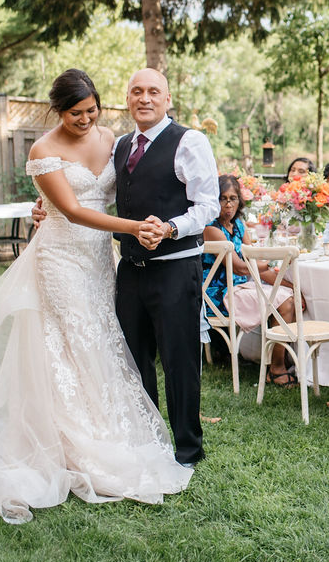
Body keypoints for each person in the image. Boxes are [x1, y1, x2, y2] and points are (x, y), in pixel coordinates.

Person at [0, 69, 192, 524]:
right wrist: (132, 228)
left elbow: (121, 188)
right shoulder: (43, 150)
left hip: (97, 261)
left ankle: (108, 429)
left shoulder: (110, 136)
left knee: (104, 338)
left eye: (92, 111)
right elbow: (70, 209)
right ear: (58, 111)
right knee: (73, 343)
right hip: (60, 259)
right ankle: (66, 440)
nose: (86, 120)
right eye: (76, 114)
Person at [32, 67, 220, 467]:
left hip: (174, 266)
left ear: (168, 99)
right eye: (137, 91)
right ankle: (145, 441)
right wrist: (43, 207)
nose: (145, 98)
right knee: (132, 362)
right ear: (128, 99)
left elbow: (208, 206)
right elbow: (81, 195)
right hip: (128, 269)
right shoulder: (118, 145)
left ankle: (188, 450)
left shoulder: (190, 141)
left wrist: (170, 228)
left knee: (179, 360)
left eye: (154, 92)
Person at [203, 174, 300, 387]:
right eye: (222, 198)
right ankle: (276, 369)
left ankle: (283, 360)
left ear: (239, 201)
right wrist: (275, 262)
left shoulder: (238, 225)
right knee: (286, 302)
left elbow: (252, 263)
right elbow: (240, 266)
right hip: (218, 294)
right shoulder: (211, 229)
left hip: (241, 286)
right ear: (213, 200)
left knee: (292, 295)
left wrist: (286, 283)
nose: (228, 204)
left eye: (233, 198)